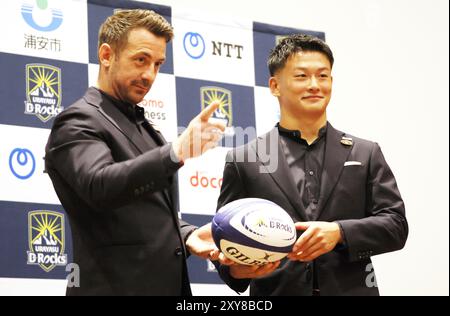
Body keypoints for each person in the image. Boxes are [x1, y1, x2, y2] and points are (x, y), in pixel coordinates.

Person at [45, 9, 227, 296]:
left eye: (157, 64)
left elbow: (139, 214)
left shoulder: (145, 128)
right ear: (106, 55)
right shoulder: (79, 120)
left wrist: (187, 234)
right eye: (141, 60)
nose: (149, 74)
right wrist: (176, 152)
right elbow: (100, 186)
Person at [215, 34, 408, 296]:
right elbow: (225, 236)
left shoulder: (366, 152)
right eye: (302, 76)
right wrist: (236, 270)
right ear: (275, 86)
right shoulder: (243, 159)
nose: (315, 85)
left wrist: (339, 233)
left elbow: (396, 226)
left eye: (323, 76)